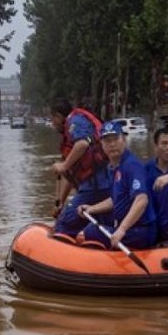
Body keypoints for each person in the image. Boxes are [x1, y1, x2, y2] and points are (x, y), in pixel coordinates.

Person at [77, 120, 157, 249]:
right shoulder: (112, 168)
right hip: (128, 226)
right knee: (98, 218)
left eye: (116, 139)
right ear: (102, 145)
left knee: (91, 231)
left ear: (124, 140)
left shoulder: (132, 166)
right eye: (107, 141)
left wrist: (122, 230)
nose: (112, 144)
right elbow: (116, 199)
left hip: (141, 231)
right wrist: (91, 208)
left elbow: (142, 200)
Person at [50, 99, 111, 238]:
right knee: (84, 221)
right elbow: (70, 175)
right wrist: (61, 202)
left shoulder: (75, 121)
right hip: (93, 185)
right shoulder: (70, 135)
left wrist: (63, 165)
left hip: (96, 186)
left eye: (53, 119)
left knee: (64, 224)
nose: (52, 123)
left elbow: (83, 144)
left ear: (59, 116)